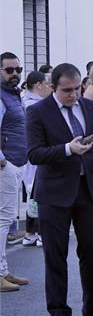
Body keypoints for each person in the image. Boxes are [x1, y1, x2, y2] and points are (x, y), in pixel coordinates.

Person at [26, 62, 93, 316]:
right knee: (55, 256)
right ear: (53, 88)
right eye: (66, 91)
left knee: (92, 251)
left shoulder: (89, 107)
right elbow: (34, 154)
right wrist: (67, 149)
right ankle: (59, 315)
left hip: (88, 190)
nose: (72, 96)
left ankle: (92, 309)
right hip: (55, 194)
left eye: (75, 90)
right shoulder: (38, 112)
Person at [0, 52, 30, 291]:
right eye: (9, 70)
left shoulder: (13, 95)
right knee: (3, 220)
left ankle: (3, 271)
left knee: (5, 218)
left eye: (18, 70)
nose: (15, 75)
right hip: (6, 164)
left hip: (15, 162)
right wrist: (2, 161)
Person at [21, 71, 51, 247]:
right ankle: (40, 233)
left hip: (29, 157)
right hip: (36, 155)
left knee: (33, 194)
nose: (49, 87)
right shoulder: (36, 106)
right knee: (40, 193)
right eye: (47, 83)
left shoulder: (25, 101)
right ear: (38, 85)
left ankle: (30, 233)